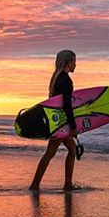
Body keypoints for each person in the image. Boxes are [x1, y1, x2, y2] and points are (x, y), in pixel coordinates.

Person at [29, 49, 79, 192]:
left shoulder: (56, 78)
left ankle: (65, 184)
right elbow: (67, 105)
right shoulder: (66, 80)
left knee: (71, 149)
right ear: (69, 62)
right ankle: (36, 185)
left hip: (56, 121)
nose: (76, 65)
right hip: (61, 124)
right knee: (51, 153)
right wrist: (73, 126)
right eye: (74, 61)